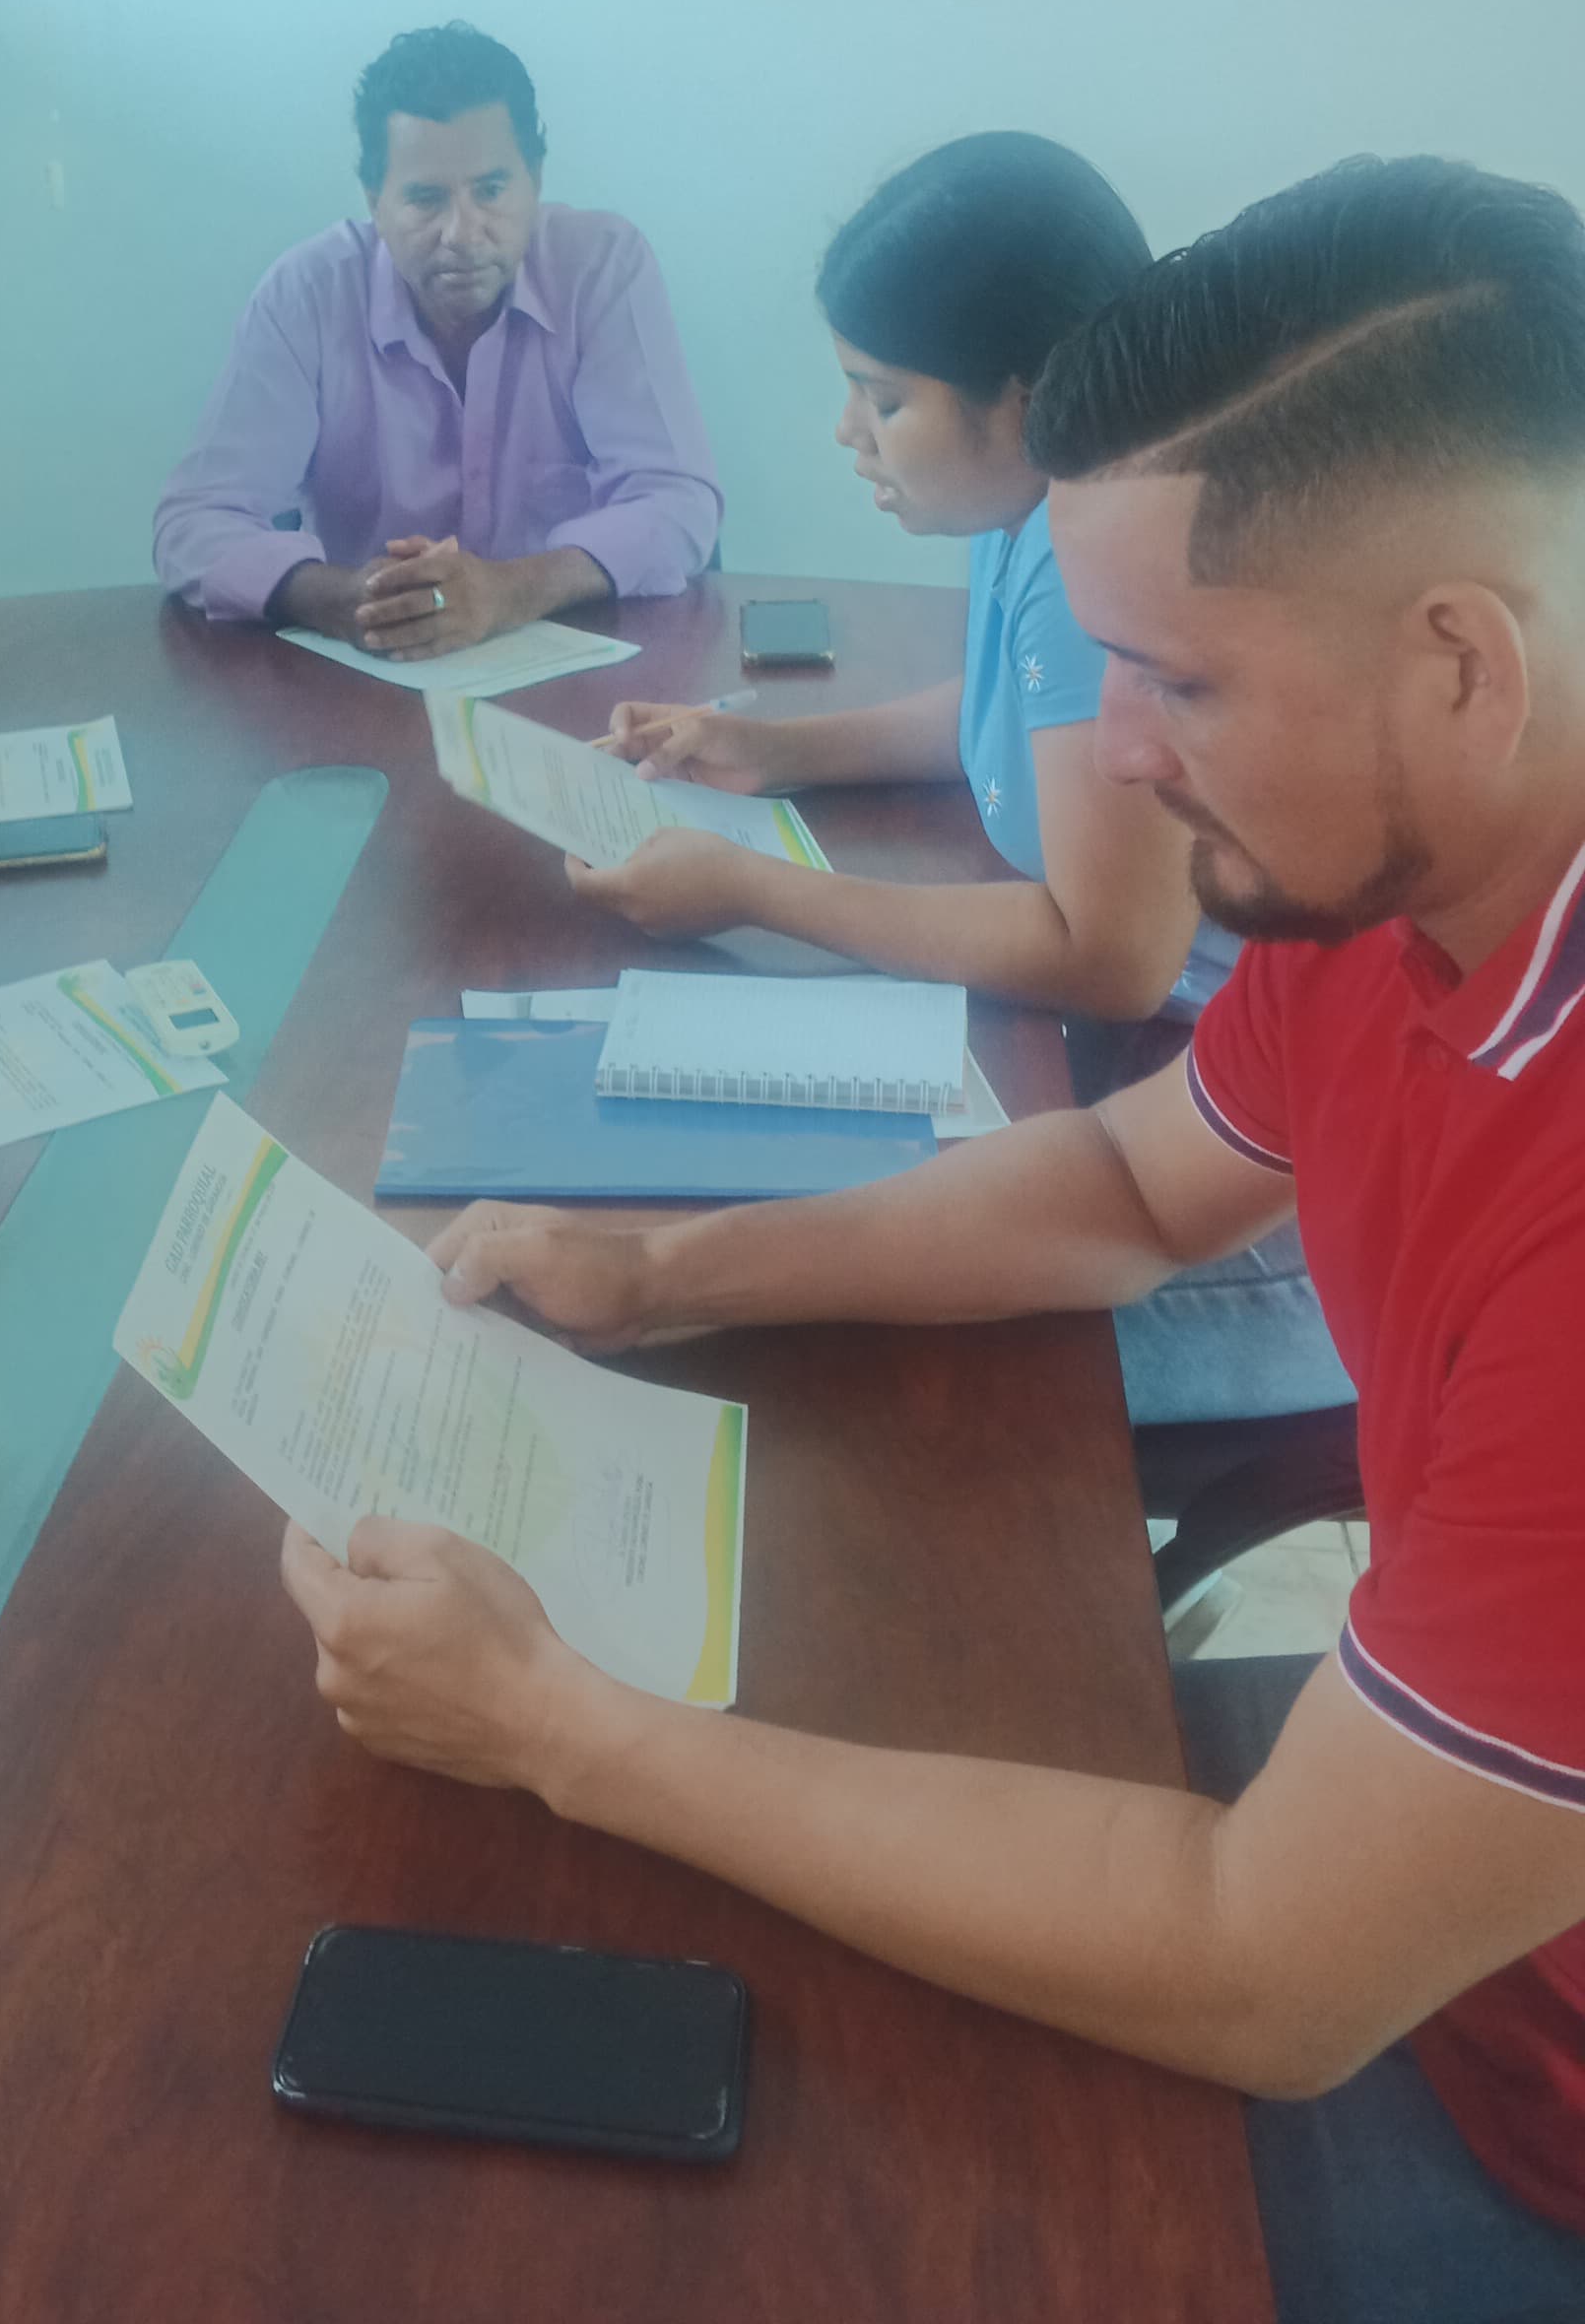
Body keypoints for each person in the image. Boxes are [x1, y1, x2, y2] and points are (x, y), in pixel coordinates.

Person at [284, 159, 1585, 2324]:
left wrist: (555, 1726)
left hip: (1509, 2112)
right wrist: (669, 1273)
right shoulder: (1394, 885)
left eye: (1176, 681)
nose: (1119, 755)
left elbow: (1266, 1967)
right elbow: (1134, 1183)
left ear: (1462, 661)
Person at [575, 131, 1348, 1422]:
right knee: (776, 1258)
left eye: (883, 398)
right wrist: (784, 752)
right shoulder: (1040, 513)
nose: (848, 433)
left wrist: (755, 891)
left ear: (1026, 399)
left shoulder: (1095, 553)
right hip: (1184, 1099)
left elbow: (1109, 956)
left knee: (852, 1371)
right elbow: (1024, 717)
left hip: (1283, 1198)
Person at [153, 23, 721, 659]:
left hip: (577, 669)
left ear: (535, 181)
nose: (463, 234)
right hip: (369, 674)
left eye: (492, 191)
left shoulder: (602, 270)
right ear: (375, 200)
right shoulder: (306, 296)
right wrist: (343, 599)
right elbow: (193, 523)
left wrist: (509, 591)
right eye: (426, 199)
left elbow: (678, 502)